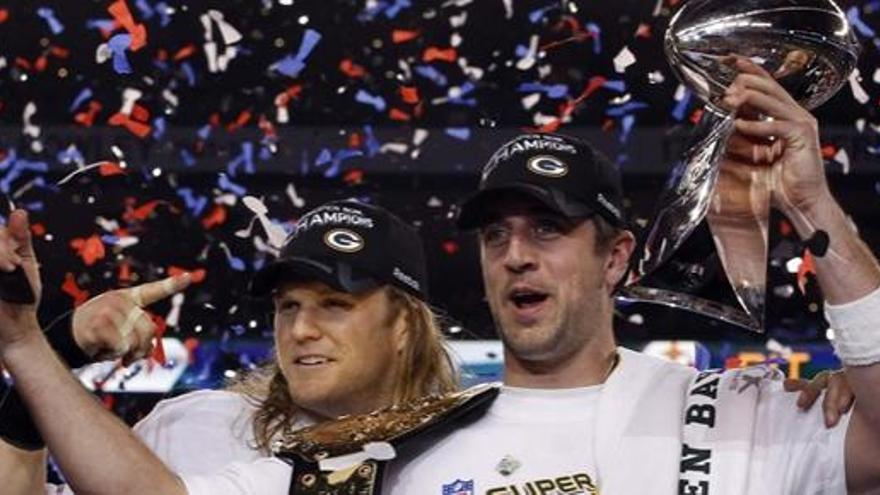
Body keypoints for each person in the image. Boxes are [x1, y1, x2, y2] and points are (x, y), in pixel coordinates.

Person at [0, 59, 872, 495]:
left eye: (549, 229)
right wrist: (30, 351)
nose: (517, 254)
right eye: (497, 233)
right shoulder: (382, 441)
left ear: (616, 256)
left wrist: (812, 208)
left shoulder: (737, 415)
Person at [0, 198, 457, 494]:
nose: (300, 330)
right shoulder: (197, 425)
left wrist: (30, 346)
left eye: (335, 304)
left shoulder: (468, 448)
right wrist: (48, 343)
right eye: (289, 306)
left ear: (404, 325)